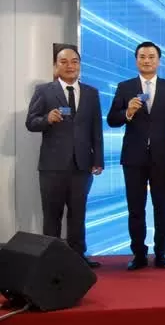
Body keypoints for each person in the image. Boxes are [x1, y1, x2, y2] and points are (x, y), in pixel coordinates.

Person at [107, 41, 165, 270]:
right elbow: (112, 119)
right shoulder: (125, 87)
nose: (147, 60)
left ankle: (162, 253)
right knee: (135, 208)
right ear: (136, 60)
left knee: (163, 207)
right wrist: (127, 112)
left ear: (159, 60)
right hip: (133, 157)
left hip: (162, 157)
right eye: (142, 57)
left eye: (151, 56)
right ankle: (139, 254)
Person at [25, 47, 103, 268]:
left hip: (82, 165)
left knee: (78, 214)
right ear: (56, 66)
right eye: (65, 61)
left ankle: (78, 258)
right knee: (52, 215)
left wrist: (98, 159)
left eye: (75, 61)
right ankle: (50, 261)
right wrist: (47, 119)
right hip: (52, 166)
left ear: (79, 65)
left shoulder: (91, 92)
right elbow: (31, 123)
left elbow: (96, 128)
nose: (70, 66)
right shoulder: (44, 91)